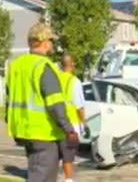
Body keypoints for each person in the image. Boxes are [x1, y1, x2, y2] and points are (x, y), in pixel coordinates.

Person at [6, 23, 78, 182]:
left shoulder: (16, 65)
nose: (51, 45)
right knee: (42, 177)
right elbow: (55, 104)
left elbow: (9, 98)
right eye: (51, 41)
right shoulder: (43, 67)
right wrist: (68, 128)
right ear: (45, 42)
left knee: (36, 171)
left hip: (23, 129)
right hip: (43, 132)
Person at [59, 54, 86, 182]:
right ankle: (69, 179)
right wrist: (83, 121)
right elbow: (79, 106)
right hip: (71, 122)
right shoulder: (74, 81)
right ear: (72, 65)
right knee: (68, 154)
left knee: (57, 152)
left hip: (56, 121)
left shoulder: (56, 79)